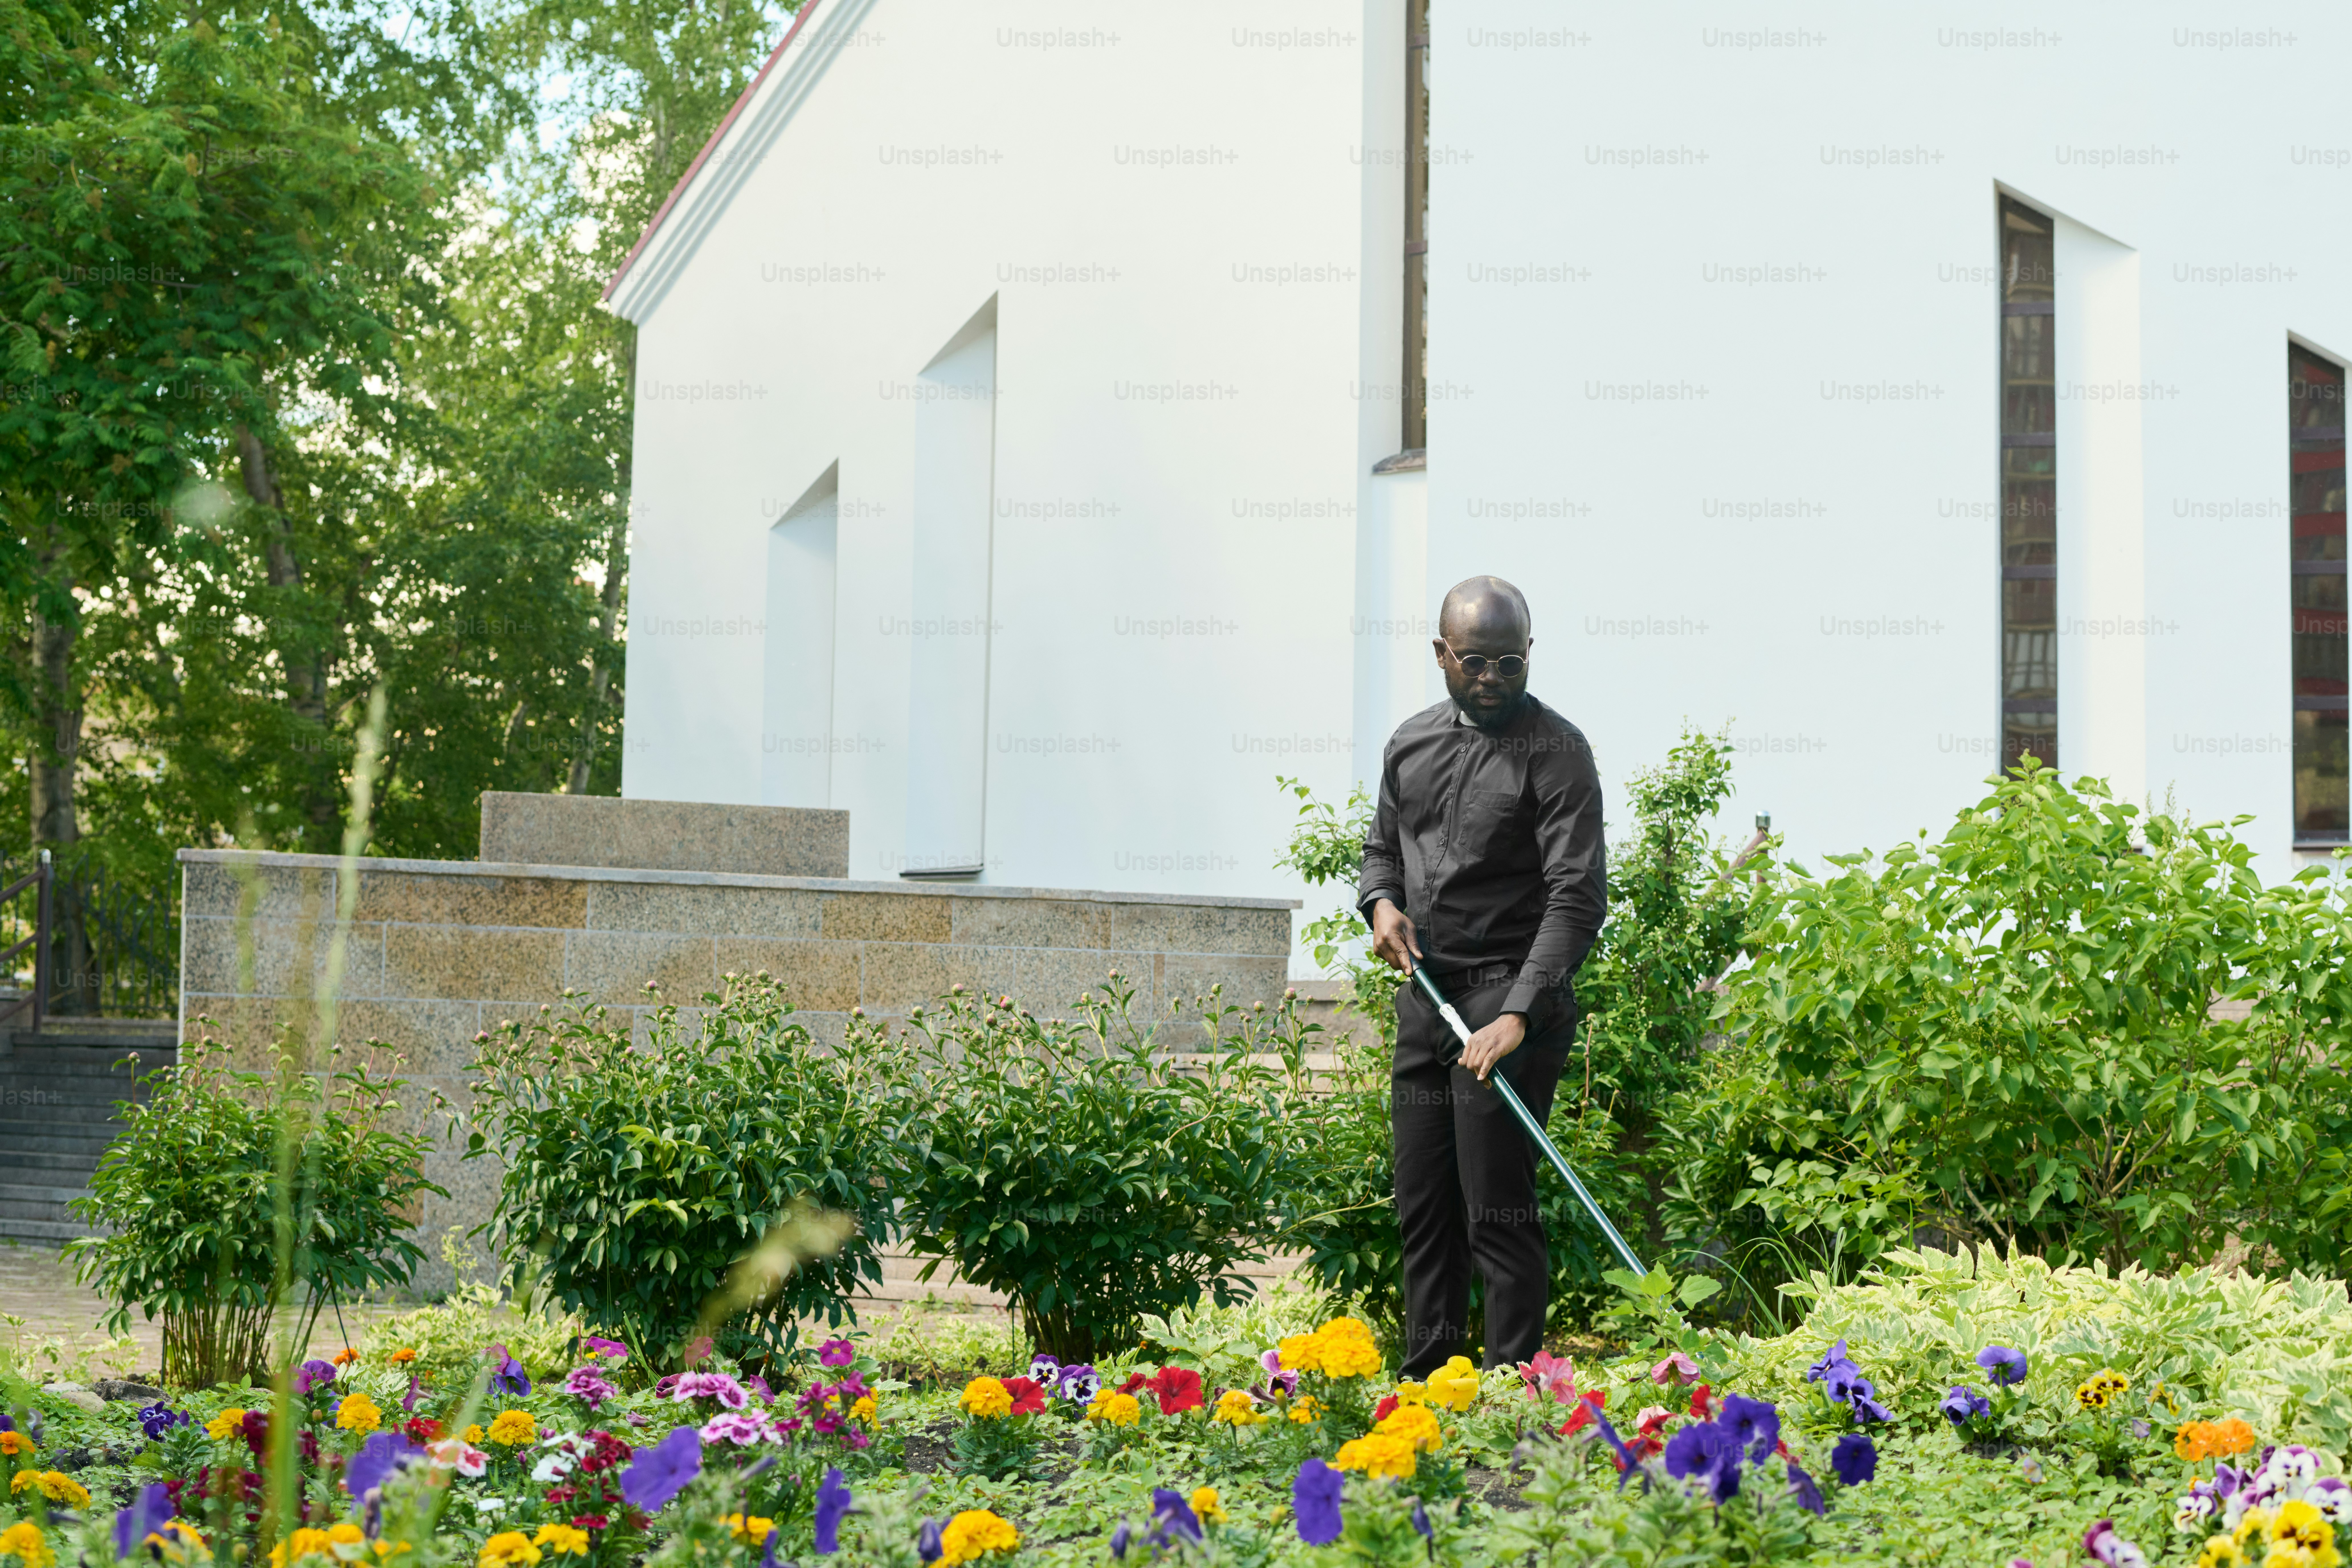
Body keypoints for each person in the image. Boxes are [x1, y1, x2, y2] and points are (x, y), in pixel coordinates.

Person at [1356, 575, 1606, 1375]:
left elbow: (1577, 897)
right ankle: (1428, 1385)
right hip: (1429, 994)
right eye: (1474, 662)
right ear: (1441, 655)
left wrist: (1521, 1014)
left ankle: (1510, 1392)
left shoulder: (1560, 754)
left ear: (1530, 655)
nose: (1491, 679)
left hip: (1508, 993)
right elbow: (1381, 851)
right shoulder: (1410, 743)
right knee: (1423, 1206)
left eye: (1509, 663)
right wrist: (1381, 904)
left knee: (1495, 1207)